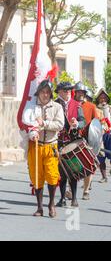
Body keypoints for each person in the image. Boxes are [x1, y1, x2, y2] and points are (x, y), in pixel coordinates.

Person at [22, 80, 64, 217]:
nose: (45, 95)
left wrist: (44, 123)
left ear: (51, 94)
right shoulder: (32, 107)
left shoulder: (57, 107)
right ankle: (39, 207)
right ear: (38, 93)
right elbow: (25, 123)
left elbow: (60, 125)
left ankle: (51, 204)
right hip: (35, 146)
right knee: (36, 177)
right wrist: (31, 132)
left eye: (47, 92)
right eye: (42, 92)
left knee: (52, 177)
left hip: (51, 146)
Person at [54, 81, 86, 208]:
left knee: (73, 171)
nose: (68, 91)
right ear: (59, 91)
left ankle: (74, 198)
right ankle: (62, 198)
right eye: (65, 90)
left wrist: (77, 124)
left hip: (72, 141)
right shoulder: (54, 104)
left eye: (69, 90)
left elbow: (83, 121)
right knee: (61, 173)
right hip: (58, 142)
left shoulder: (77, 105)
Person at [73, 82, 99, 200]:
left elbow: (96, 125)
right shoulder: (71, 105)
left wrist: (96, 141)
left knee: (88, 166)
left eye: (82, 92)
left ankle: (86, 190)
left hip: (88, 139)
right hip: (73, 138)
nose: (80, 94)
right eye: (78, 92)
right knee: (72, 166)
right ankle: (69, 189)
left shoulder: (91, 106)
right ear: (75, 92)